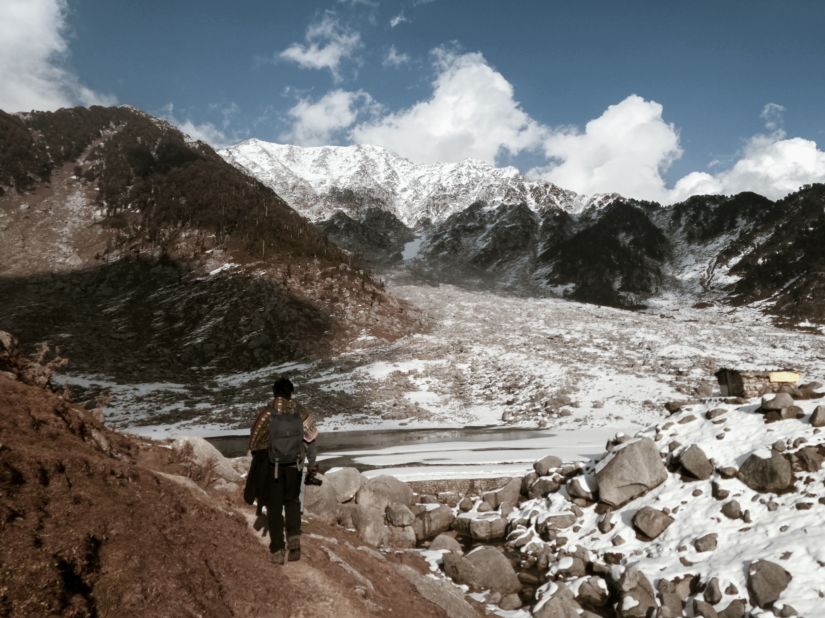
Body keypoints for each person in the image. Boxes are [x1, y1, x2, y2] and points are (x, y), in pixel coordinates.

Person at [244, 376, 318, 564]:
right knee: (292, 502)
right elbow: (312, 440)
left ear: (274, 392)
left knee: (275, 507)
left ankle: (277, 549)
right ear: (291, 392)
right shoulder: (301, 412)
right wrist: (311, 464)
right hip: (295, 466)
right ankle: (294, 538)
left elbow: (253, 443)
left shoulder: (266, 414)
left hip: (273, 468)